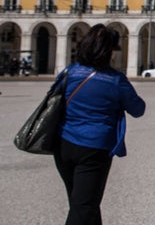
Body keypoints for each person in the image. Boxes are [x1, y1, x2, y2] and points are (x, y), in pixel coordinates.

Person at [53, 24, 146, 225]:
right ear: (108, 51)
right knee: (84, 207)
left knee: (83, 202)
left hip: (63, 145)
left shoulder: (69, 73)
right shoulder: (114, 80)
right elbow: (138, 110)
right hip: (94, 148)